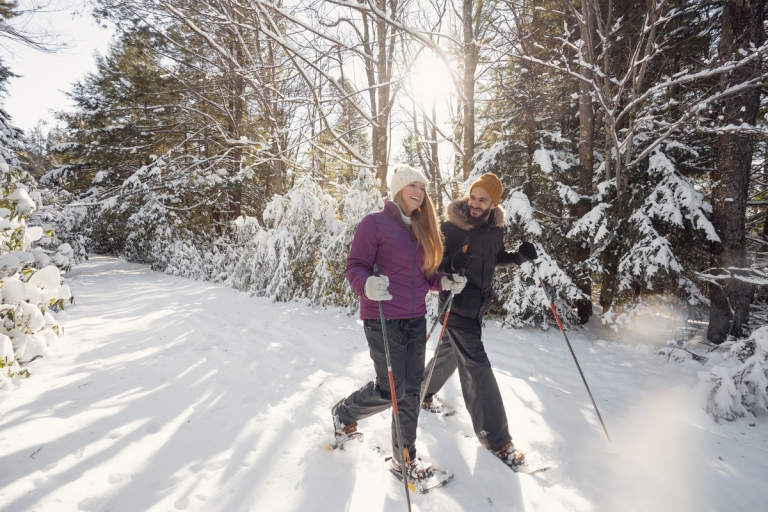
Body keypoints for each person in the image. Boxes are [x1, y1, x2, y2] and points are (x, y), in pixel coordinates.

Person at [331, 165, 467, 479]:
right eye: (412, 186)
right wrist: (366, 285)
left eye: (422, 187)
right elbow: (355, 266)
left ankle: (405, 458)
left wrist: (444, 281)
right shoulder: (374, 223)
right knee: (391, 388)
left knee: (411, 390)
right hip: (382, 319)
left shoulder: (420, 229)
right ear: (398, 189)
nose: (419, 193)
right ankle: (345, 412)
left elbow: (425, 276)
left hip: (415, 319)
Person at [420, 173, 538, 468]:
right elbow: (433, 265)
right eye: (472, 197)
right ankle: (498, 441)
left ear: (493, 203)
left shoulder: (494, 228)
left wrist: (519, 257)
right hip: (455, 306)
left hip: (477, 307)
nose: (474, 203)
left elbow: (495, 257)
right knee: (477, 368)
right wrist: (451, 266)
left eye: (482, 199)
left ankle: (420, 393)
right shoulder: (452, 227)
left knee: (449, 354)